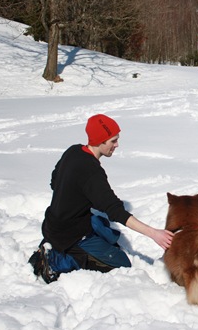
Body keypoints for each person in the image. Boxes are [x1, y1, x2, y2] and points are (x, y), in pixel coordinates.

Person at [28, 114, 173, 283]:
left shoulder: (73, 151)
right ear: (100, 141)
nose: (117, 145)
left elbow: (54, 181)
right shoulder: (91, 171)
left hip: (53, 223)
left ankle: (64, 248)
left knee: (105, 229)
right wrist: (154, 233)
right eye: (113, 141)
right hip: (69, 235)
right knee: (121, 264)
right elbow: (115, 210)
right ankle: (54, 261)